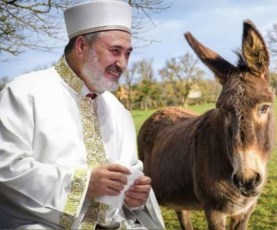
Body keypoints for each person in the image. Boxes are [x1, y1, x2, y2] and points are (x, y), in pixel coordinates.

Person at [0, 0, 164, 229]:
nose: (123, 63)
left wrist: (136, 197)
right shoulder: (24, 92)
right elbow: (6, 167)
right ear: (81, 47)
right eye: (114, 51)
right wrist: (82, 184)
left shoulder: (120, 111)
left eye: (127, 53)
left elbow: (131, 175)